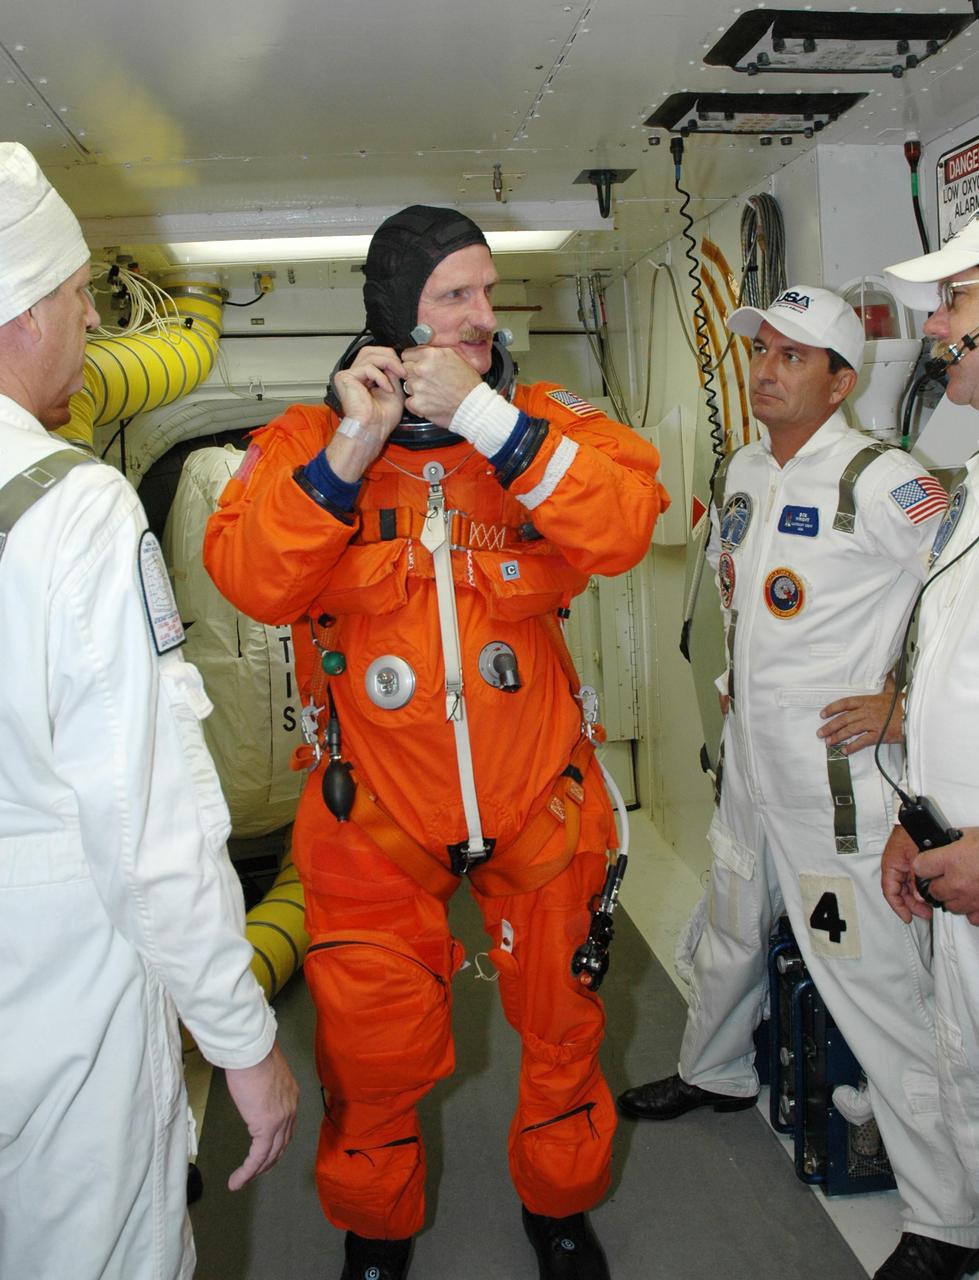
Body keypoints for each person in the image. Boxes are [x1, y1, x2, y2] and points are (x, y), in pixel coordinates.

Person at [204, 204, 668, 1280]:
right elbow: (251, 577)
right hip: (377, 816)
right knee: (371, 1056)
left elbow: (626, 521)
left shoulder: (541, 426)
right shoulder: (303, 445)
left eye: (485, 293)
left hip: (538, 800)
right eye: (450, 296)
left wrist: (494, 426)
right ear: (391, 312)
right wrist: (353, 446)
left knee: (562, 1033)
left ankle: (558, 1205)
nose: (478, 316)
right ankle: (377, 1226)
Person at [617, 285, 979, 1279]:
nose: (766, 369)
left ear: (840, 379)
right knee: (731, 920)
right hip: (752, 758)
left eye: (791, 355)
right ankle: (716, 1069)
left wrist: (901, 703)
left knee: (876, 990)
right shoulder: (743, 469)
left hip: (838, 782)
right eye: (762, 351)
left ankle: (948, 1219)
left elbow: (957, 599)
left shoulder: (883, 477)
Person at [0, 142, 299, 1280]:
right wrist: (241, 1038)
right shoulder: (72, 507)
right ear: (25, 310)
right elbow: (148, 825)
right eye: (80, 299)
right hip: (61, 996)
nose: (91, 324)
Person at [880, 212, 979, 1278]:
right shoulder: (973, 480)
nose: (933, 324)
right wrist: (912, 817)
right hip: (954, 862)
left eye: (953, 302)